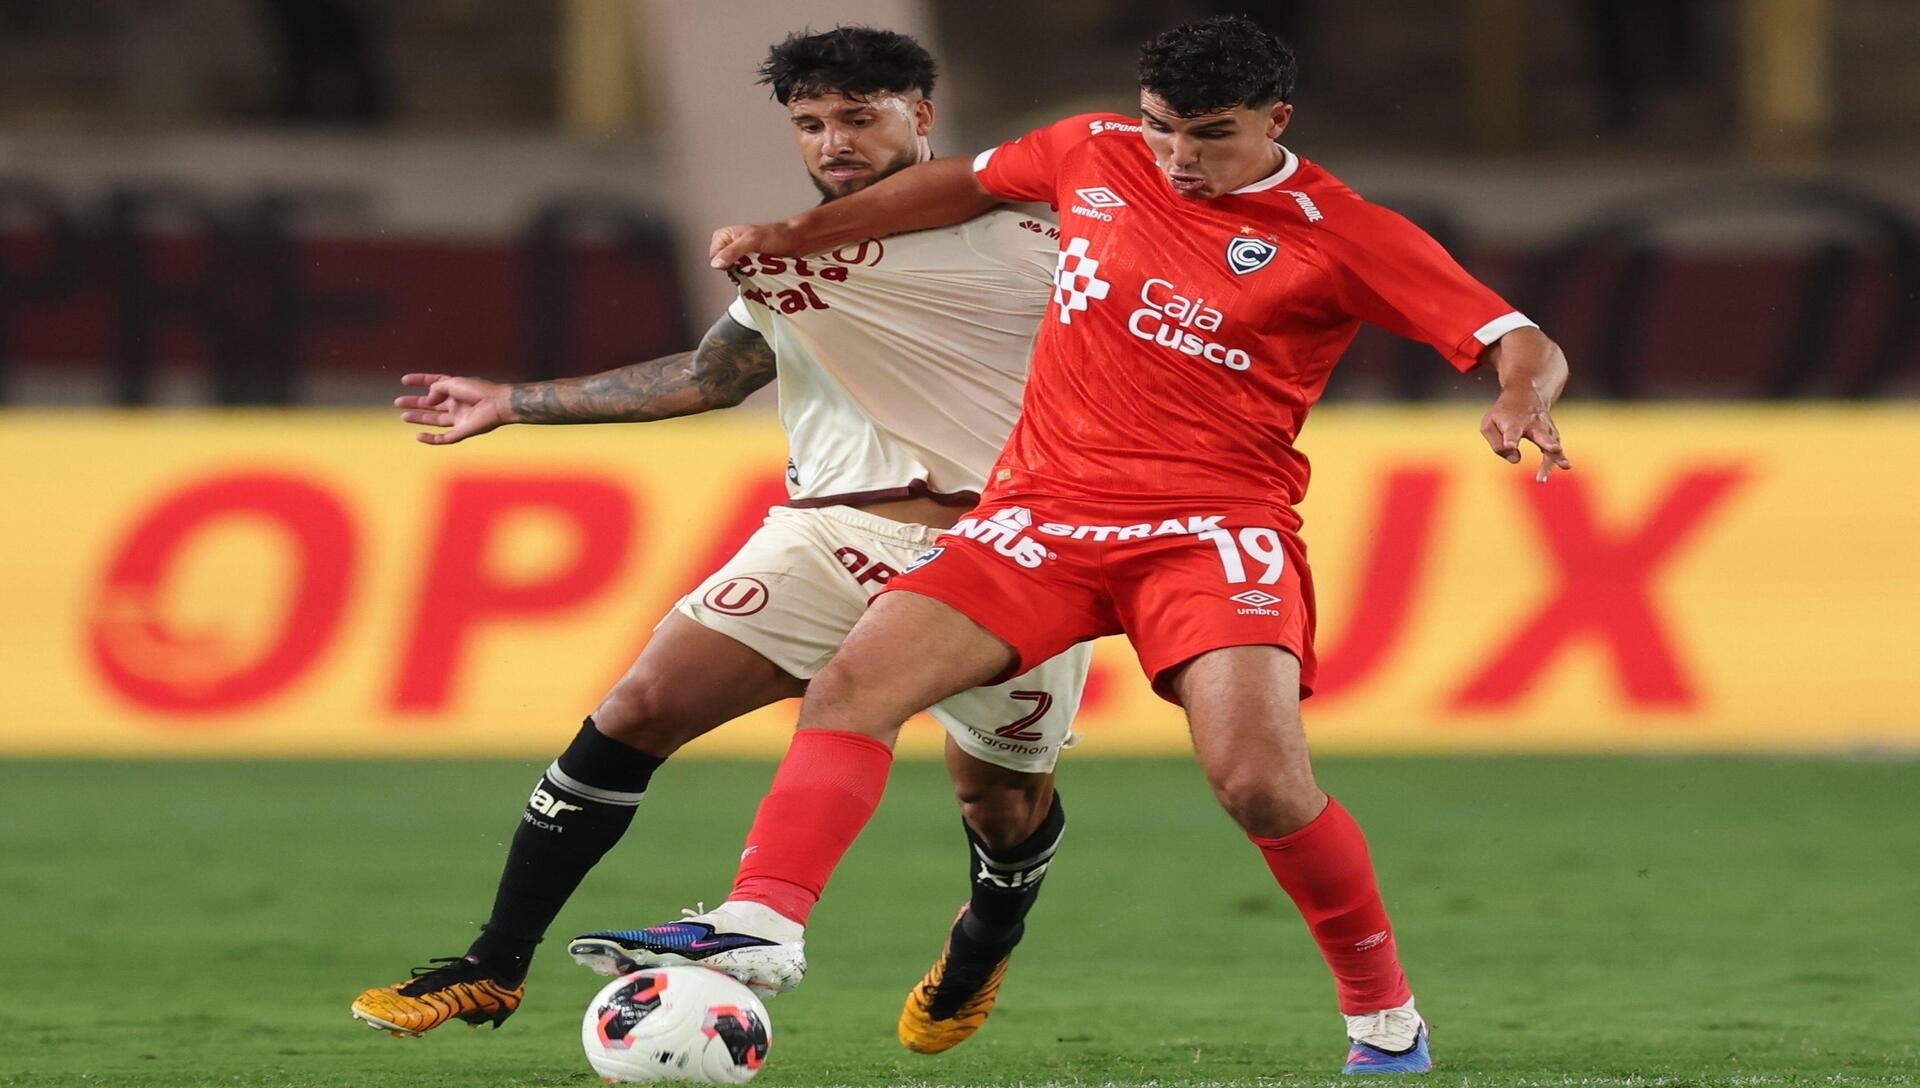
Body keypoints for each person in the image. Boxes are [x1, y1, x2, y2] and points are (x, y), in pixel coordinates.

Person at [602, 14, 1573, 1075]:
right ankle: (764, 922)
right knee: (852, 684)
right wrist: (797, 232)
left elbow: (1512, 335)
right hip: (1042, 516)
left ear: (1274, 120)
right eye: (1163, 130)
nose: (1178, 160)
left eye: (1209, 136)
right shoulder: (1092, 149)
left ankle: (1384, 1017)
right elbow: (959, 184)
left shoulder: (1343, 230)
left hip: (1211, 531)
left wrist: (1521, 395)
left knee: (1258, 781)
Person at [348, 27, 1091, 1057]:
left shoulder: (1035, 231)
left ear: (922, 115)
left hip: (1006, 552)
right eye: (811, 122)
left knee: (1002, 801)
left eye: (858, 116)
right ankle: (492, 962)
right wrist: (514, 401)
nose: (833, 140)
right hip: (832, 529)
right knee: (637, 707)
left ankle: (984, 937)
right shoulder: (791, 251)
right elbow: (712, 375)